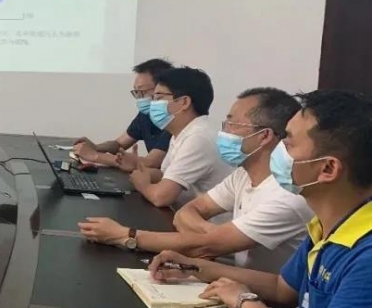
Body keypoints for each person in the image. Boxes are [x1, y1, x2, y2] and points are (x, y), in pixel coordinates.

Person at [149, 90, 372, 308]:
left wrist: (244, 301)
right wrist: (198, 268)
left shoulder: (366, 256)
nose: (278, 151)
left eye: (289, 142)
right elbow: (284, 289)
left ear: (328, 168)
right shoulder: (331, 224)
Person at [80, 88, 312, 274]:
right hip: (235, 283)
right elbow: (188, 212)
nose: (224, 132)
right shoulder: (243, 174)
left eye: (232, 124)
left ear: (264, 136)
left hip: (269, 307)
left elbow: (204, 244)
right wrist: (210, 234)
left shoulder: (286, 196)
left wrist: (126, 235)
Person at [129, 66, 230, 208]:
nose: (153, 104)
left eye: (158, 98)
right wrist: (140, 169)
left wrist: (143, 184)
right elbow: (165, 174)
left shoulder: (199, 137)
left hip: (206, 220)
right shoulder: (183, 131)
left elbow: (161, 197)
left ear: (184, 102)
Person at [73, 58, 174, 171]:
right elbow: (119, 144)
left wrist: (95, 156)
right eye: (136, 92)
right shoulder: (145, 114)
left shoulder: (173, 120)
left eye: (142, 91)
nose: (139, 98)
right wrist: (95, 147)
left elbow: (150, 163)